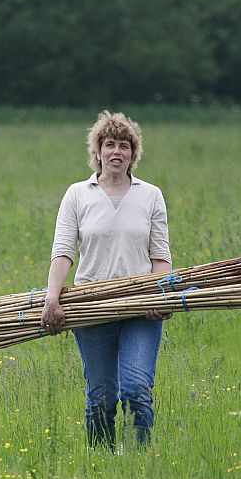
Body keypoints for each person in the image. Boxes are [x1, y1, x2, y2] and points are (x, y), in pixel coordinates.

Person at [40, 110, 172, 451]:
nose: (117, 152)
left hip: (141, 309)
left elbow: (160, 257)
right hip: (91, 306)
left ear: (133, 154)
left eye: (124, 146)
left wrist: (160, 296)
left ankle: (138, 465)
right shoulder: (77, 194)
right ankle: (100, 466)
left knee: (136, 390)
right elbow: (63, 252)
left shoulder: (151, 195)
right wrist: (52, 298)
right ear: (97, 152)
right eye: (109, 145)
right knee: (100, 397)